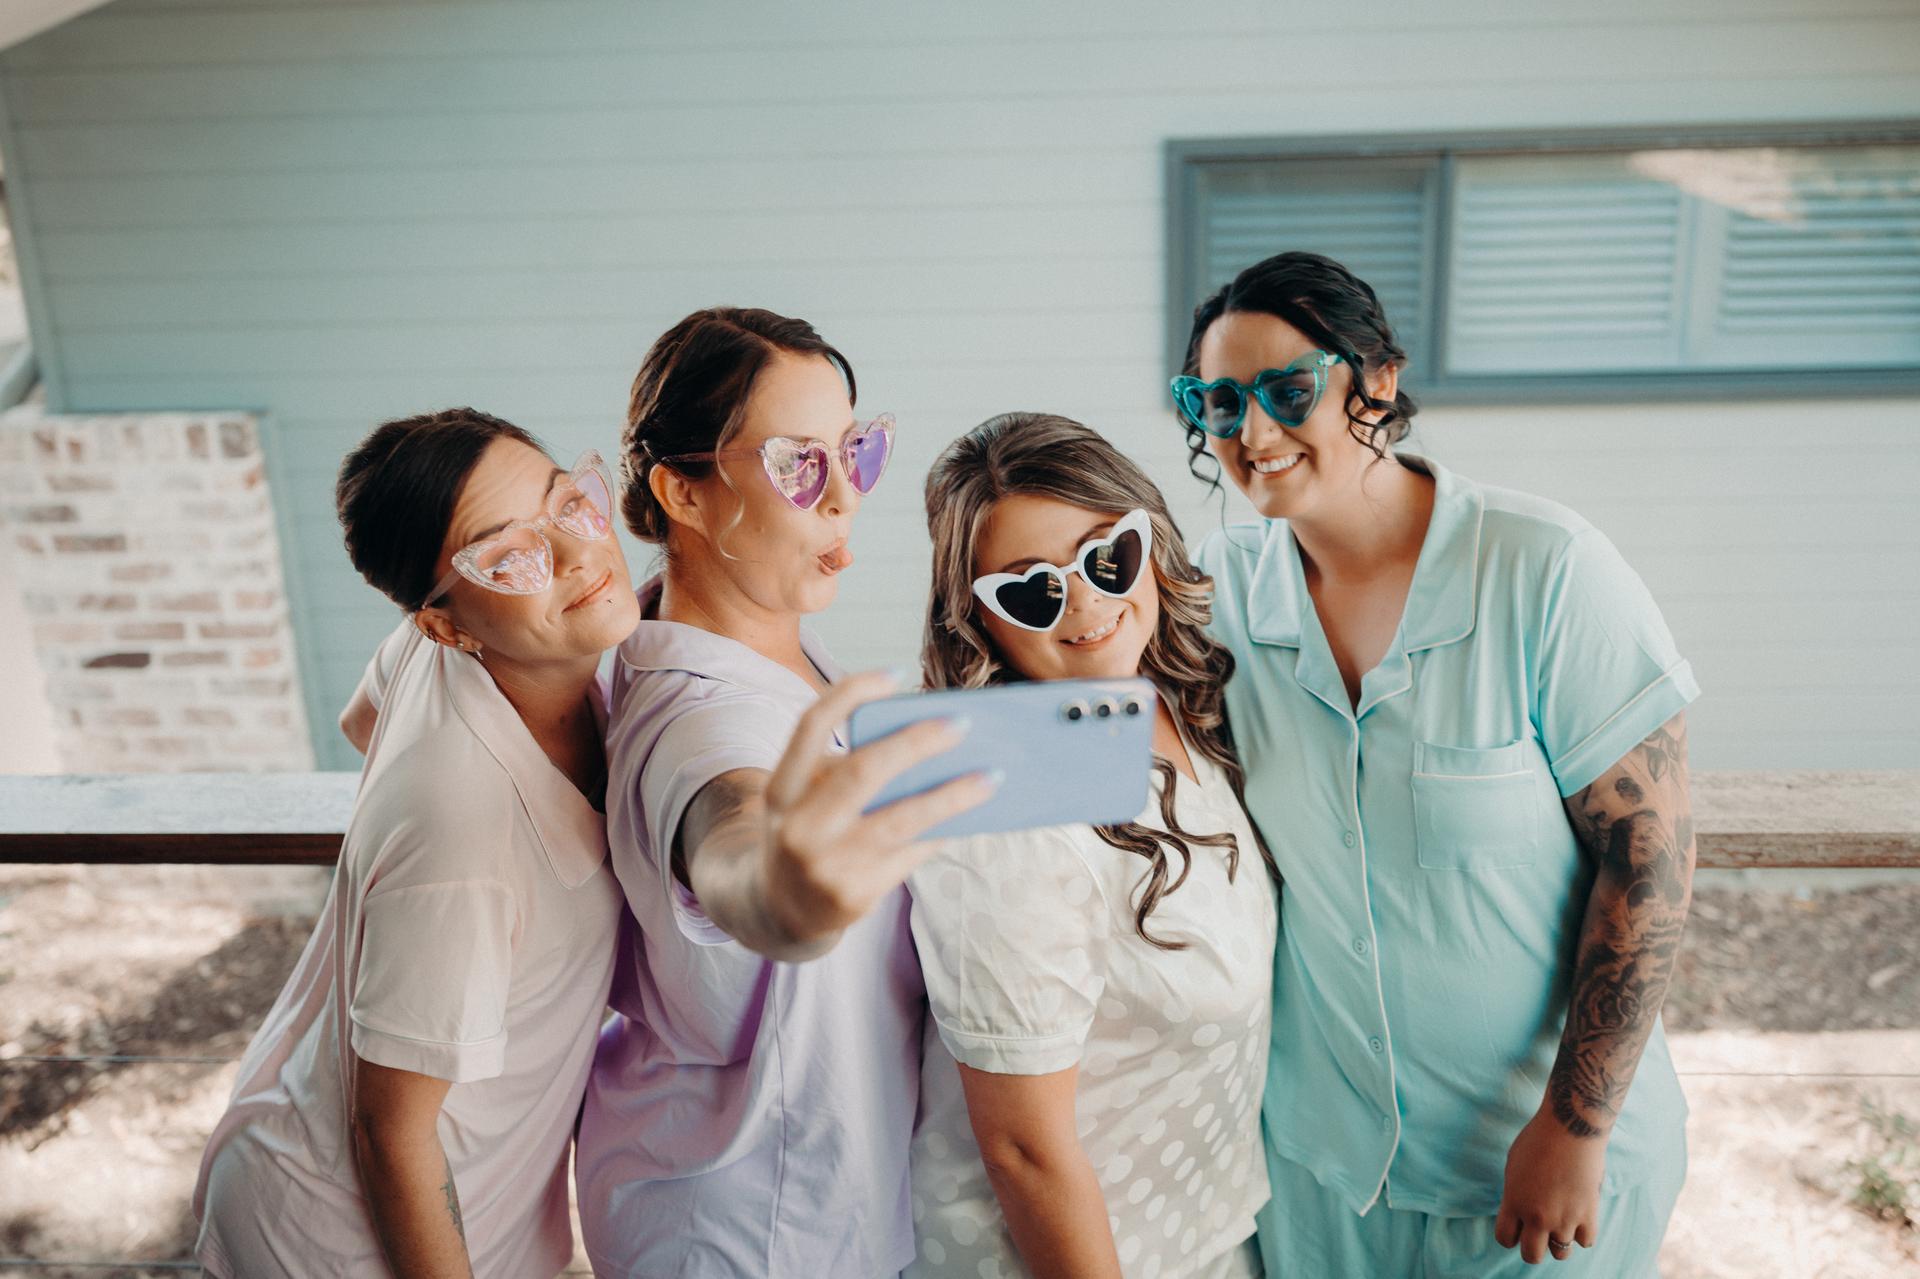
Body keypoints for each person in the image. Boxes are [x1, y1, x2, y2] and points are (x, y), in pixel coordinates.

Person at [1174, 251, 1699, 1277]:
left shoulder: (1544, 571)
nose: (1254, 432)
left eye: (1288, 390)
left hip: (1539, 1175)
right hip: (1323, 1183)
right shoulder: (1213, 597)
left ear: (1375, 380)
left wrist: (1575, 1127)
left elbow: (1651, 858)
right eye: (1219, 401)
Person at [575, 307, 994, 1277]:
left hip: (800, 1191)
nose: (845, 496)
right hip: (746, 1227)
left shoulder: (759, 637)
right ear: (683, 489)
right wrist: (785, 902)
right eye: (799, 464)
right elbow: (734, 837)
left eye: (855, 451)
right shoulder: (698, 720)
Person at [193, 408, 641, 1277]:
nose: (580, 554)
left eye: (567, 502)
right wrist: (421, 834)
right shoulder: (462, 836)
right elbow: (389, 1132)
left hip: (430, 1182)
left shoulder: (427, 647)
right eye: (509, 553)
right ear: (449, 623)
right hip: (344, 1242)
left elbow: (361, 719)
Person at [905, 413, 1278, 1279]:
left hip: (1208, 1233)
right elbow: (1022, 1150)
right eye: (1029, 590)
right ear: (978, 622)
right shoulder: (1003, 808)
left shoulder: (1170, 702)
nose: (1085, 601)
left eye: (1109, 555)